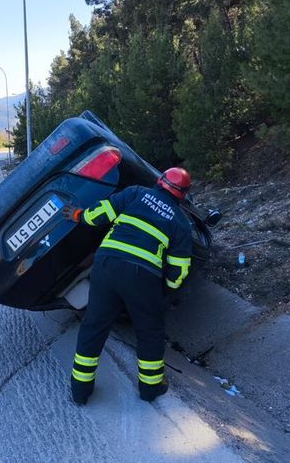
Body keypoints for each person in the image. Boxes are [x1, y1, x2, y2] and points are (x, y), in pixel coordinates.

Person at [60, 167, 193, 405]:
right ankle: (150, 389)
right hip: (143, 277)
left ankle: (79, 390)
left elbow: (99, 214)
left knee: (94, 325)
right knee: (149, 331)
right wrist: (168, 291)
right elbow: (179, 269)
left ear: (160, 181)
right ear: (183, 195)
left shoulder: (135, 193)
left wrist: (78, 215)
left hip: (107, 265)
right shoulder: (181, 223)